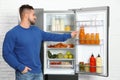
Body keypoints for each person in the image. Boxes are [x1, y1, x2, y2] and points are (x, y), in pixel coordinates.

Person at [2, 4, 77, 80]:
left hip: (38, 73)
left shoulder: (36, 30)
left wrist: (69, 35)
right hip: (24, 74)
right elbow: (6, 53)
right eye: (33, 14)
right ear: (26, 15)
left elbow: (52, 36)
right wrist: (20, 67)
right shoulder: (13, 33)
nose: (35, 17)